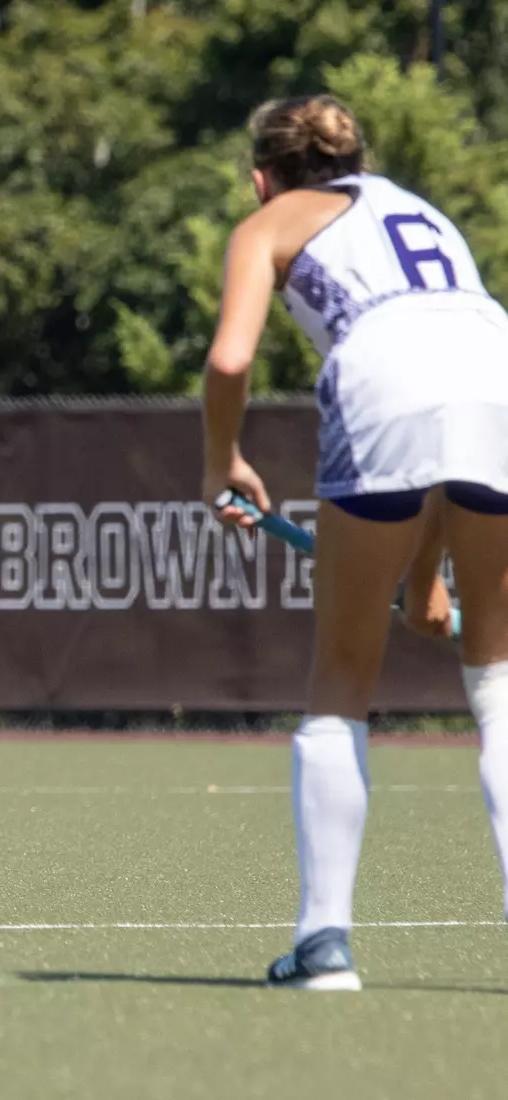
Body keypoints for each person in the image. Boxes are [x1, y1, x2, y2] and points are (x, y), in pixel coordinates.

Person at [203, 95, 508, 990]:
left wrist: (220, 462)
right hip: (499, 367)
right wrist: (424, 578)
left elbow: (229, 361)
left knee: (340, 679)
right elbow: (451, 398)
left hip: (380, 374)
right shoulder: (421, 211)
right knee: (497, 679)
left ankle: (323, 944)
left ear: (264, 175)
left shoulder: (268, 222)